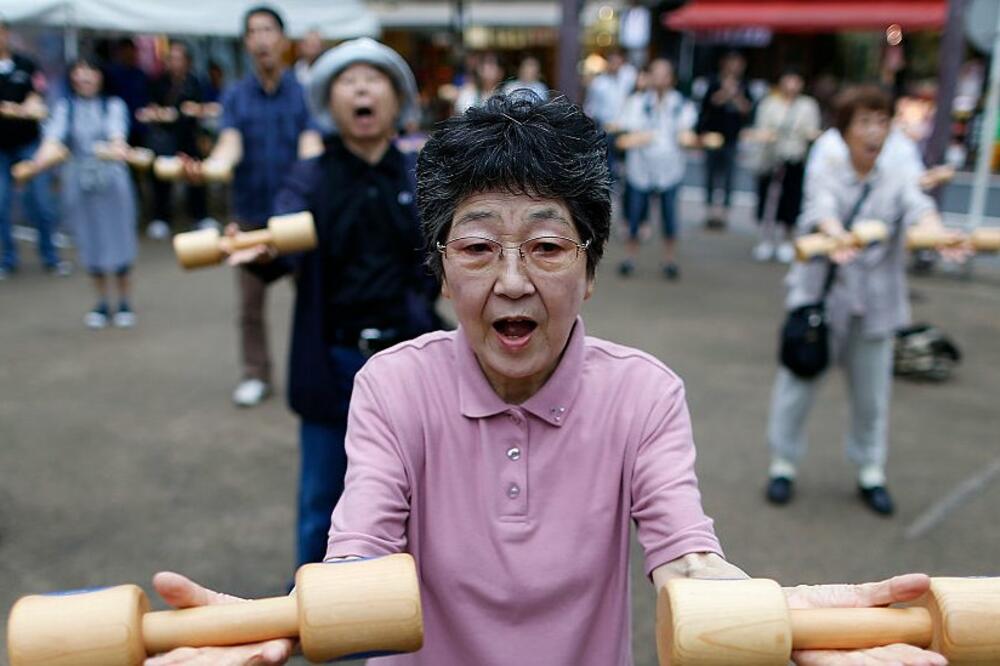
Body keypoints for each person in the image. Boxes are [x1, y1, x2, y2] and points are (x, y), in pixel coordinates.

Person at [144, 93, 948, 666]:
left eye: (549, 247)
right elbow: (359, 557)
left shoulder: (644, 394)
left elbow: (687, 560)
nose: (514, 280)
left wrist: (783, 618)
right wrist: (274, 628)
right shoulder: (392, 387)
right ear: (441, 269)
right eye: (479, 247)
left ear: (590, 269)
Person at [233, 38, 441, 569]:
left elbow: (445, 259)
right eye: (350, 81)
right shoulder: (311, 177)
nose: (363, 89)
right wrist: (257, 247)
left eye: (375, 80)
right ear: (332, 103)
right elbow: (279, 242)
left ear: (397, 101)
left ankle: (407, 610)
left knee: (417, 496)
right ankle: (314, 612)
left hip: (408, 359)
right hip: (334, 360)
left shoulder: (421, 178)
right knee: (323, 499)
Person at [764, 86, 967, 516]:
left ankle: (870, 470)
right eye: (865, 122)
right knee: (798, 383)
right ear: (846, 128)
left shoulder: (897, 168)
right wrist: (835, 233)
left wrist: (938, 232)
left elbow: (917, 206)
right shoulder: (828, 160)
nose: (874, 131)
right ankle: (783, 463)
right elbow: (821, 206)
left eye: (882, 121)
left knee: (873, 395)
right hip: (822, 296)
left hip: (876, 301)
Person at [181, 5, 320, 408]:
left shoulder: (305, 93)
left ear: (282, 39)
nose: (261, 39)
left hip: (296, 220)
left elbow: (311, 149)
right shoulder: (236, 95)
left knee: (313, 300)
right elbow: (229, 146)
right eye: (254, 31)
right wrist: (210, 169)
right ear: (246, 43)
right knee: (249, 306)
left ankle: (314, 373)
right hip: (248, 214)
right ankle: (256, 373)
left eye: (268, 30)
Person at [14, 59, 138, 328]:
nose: (85, 78)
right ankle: (103, 302)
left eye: (90, 72)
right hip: (79, 183)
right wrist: (35, 165)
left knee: (119, 239)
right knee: (90, 240)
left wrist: (118, 148)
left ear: (100, 76)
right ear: (71, 78)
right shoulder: (64, 108)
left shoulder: (112, 105)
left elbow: (118, 136)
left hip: (112, 181)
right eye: (79, 73)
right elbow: (52, 142)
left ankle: (125, 300)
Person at [615, 58, 696, 279]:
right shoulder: (636, 102)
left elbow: (686, 133)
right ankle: (629, 258)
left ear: (672, 78)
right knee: (634, 216)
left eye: (665, 73)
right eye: (656, 73)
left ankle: (669, 260)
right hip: (639, 169)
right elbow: (625, 133)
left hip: (670, 170)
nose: (660, 78)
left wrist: (689, 139)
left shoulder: (681, 104)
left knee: (670, 217)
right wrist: (639, 137)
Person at [0, 14, 63, 279]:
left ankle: (50, 257)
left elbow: (40, 97)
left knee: (41, 202)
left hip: (29, 144)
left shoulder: (26, 64)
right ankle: (8, 259)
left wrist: (30, 106)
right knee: (1, 204)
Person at [139, 41, 210, 238]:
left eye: (179, 58)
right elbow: (150, 107)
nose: (175, 62)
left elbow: (205, 106)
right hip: (165, 138)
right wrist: (158, 113)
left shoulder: (195, 81)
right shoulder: (158, 82)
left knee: (196, 175)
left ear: (187, 61)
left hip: (189, 136)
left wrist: (196, 109)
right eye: (171, 58)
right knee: (162, 178)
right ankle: (160, 218)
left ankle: (200, 216)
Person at [750, 68, 820, 263]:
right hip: (770, 157)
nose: (792, 84)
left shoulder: (808, 105)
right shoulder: (769, 103)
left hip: (795, 157)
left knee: (791, 198)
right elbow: (760, 128)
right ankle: (765, 239)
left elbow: (811, 129)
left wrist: (810, 135)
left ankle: (786, 239)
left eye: (796, 80)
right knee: (767, 198)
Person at [697, 51, 751, 230]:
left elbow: (747, 110)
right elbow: (707, 106)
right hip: (713, 137)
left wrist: (734, 94)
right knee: (710, 176)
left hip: (732, 139)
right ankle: (710, 212)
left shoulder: (744, 85)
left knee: (729, 178)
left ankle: (724, 214)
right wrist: (724, 92)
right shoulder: (713, 82)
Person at [584, 48, 637, 181]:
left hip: (625, 126)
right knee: (608, 160)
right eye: (612, 61)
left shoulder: (628, 76)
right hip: (606, 126)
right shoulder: (599, 83)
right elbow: (591, 106)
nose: (615, 65)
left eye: (618, 61)